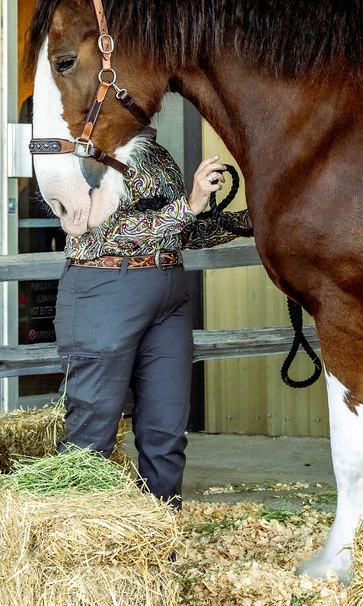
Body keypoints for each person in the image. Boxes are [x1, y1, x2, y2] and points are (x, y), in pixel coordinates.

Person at [54, 128, 249, 509]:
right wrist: (188, 205)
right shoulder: (84, 155)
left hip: (169, 294)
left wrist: (252, 217)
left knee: (167, 429)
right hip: (105, 288)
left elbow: (181, 232)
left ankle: (159, 538)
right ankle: (80, 553)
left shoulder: (157, 154)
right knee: (92, 431)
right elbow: (101, 229)